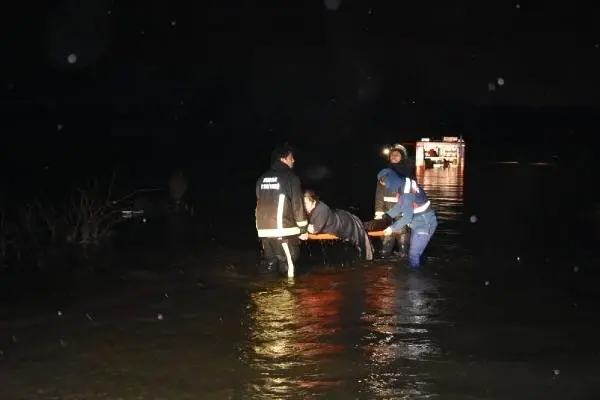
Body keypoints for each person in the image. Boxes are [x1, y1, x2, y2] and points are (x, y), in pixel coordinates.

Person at [255, 144, 308, 276]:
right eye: (291, 158)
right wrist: (303, 228)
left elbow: (259, 201)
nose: (293, 160)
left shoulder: (262, 178)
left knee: (271, 268)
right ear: (283, 159)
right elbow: (298, 205)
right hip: (284, 232)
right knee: (288, 271)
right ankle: (289, 296)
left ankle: (266, 294)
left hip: (264, 232)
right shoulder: (291, 178)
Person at [376, 168, 437, 269]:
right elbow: (400, 205)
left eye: (385, 184)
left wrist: (391, 229)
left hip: (424, 224)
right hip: (419, 222)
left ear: (390, 180)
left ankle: (414, 280)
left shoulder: (405, 191)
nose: (386, 187)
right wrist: (387, 215)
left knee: (413, 255)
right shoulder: (403, 183)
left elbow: (407, 217)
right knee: (415, 254)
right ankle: (417, 273)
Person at [303, 190, 374, 261]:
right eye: (303, 203)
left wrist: (306, 227)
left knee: (361, 229)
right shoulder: (311, 210)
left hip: (345, 223)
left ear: (314, 202)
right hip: (339, 219)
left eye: (306, 203)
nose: (304, 206)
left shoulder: (322, 209)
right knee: (363, 226)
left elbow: (314, 230)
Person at [374, 144, 414, 258]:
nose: (394, 156)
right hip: (387, 213)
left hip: (402, 213)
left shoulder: (408, 175)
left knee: (403, 248)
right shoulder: (384, 174)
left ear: (403, 158)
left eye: (397, 155)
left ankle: (403, 268)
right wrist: (378, 213)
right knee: (385, 248)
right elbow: (379, 195)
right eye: (392, 155)